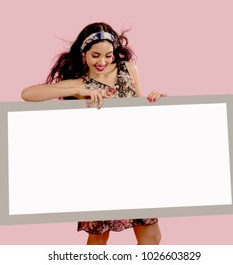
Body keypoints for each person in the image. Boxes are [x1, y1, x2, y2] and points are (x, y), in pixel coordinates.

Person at [21, 22, 167, 245]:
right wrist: (77, 90)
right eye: (95, 55)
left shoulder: (128, 69)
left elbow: (140, 111)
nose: (102, 62)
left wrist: (154, 100)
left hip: (133, 164)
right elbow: (28, 94)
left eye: (108, 55)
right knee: (99, 236)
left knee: (151, 235)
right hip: (97, 168)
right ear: (84, 53)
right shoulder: (80, 83)